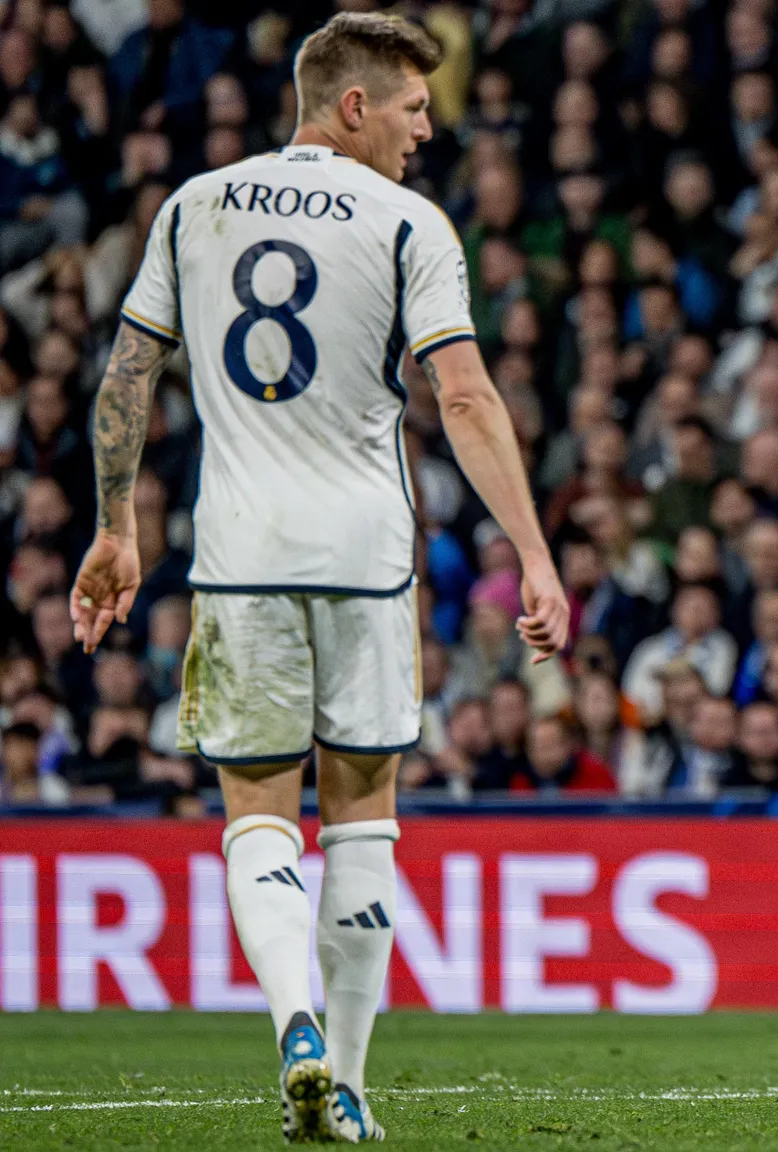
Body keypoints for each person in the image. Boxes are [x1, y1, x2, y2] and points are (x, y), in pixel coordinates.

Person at [67, 15, 570, 1144]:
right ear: (351, 106)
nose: (425, 132)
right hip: (363, 559)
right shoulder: (408, 224)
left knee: (255, 811)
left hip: (238, 554)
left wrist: (114, 529)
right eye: (410, 108)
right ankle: (341, 1083)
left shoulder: (193, 204)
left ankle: (290, 1020)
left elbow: (128, 374)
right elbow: (468, 398)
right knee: (362, 817)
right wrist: (534, 555)